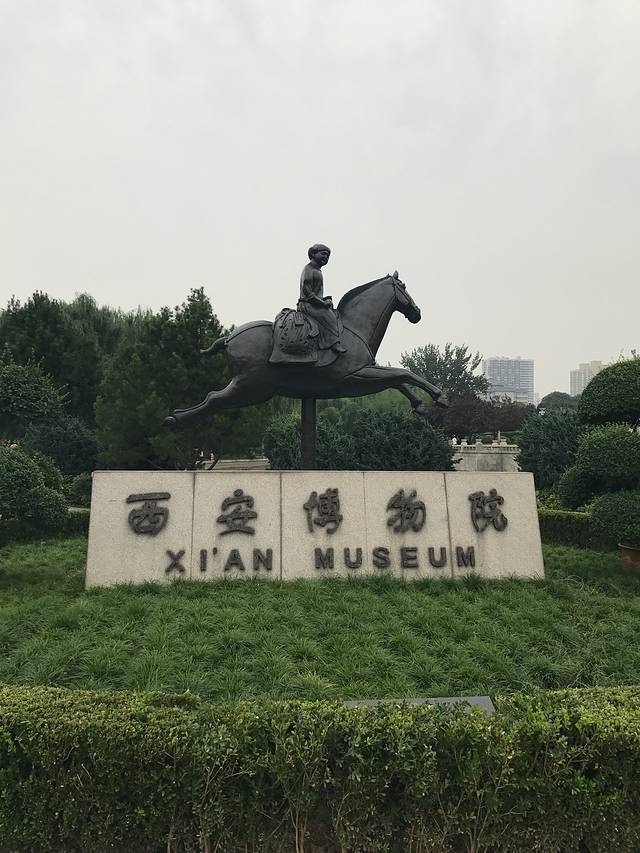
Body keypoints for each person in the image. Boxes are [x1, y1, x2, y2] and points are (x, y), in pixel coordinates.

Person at [297, 244, 347, 354]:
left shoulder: (317, 270)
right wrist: (323, 303)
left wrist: (324, 300)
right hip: (307, 304)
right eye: (323, 254)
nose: (326, 257)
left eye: (328, 256)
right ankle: (334, 343)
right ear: (313, 253)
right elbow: (308, 292)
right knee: (329, 316)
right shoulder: (308, 269)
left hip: (314, 303)